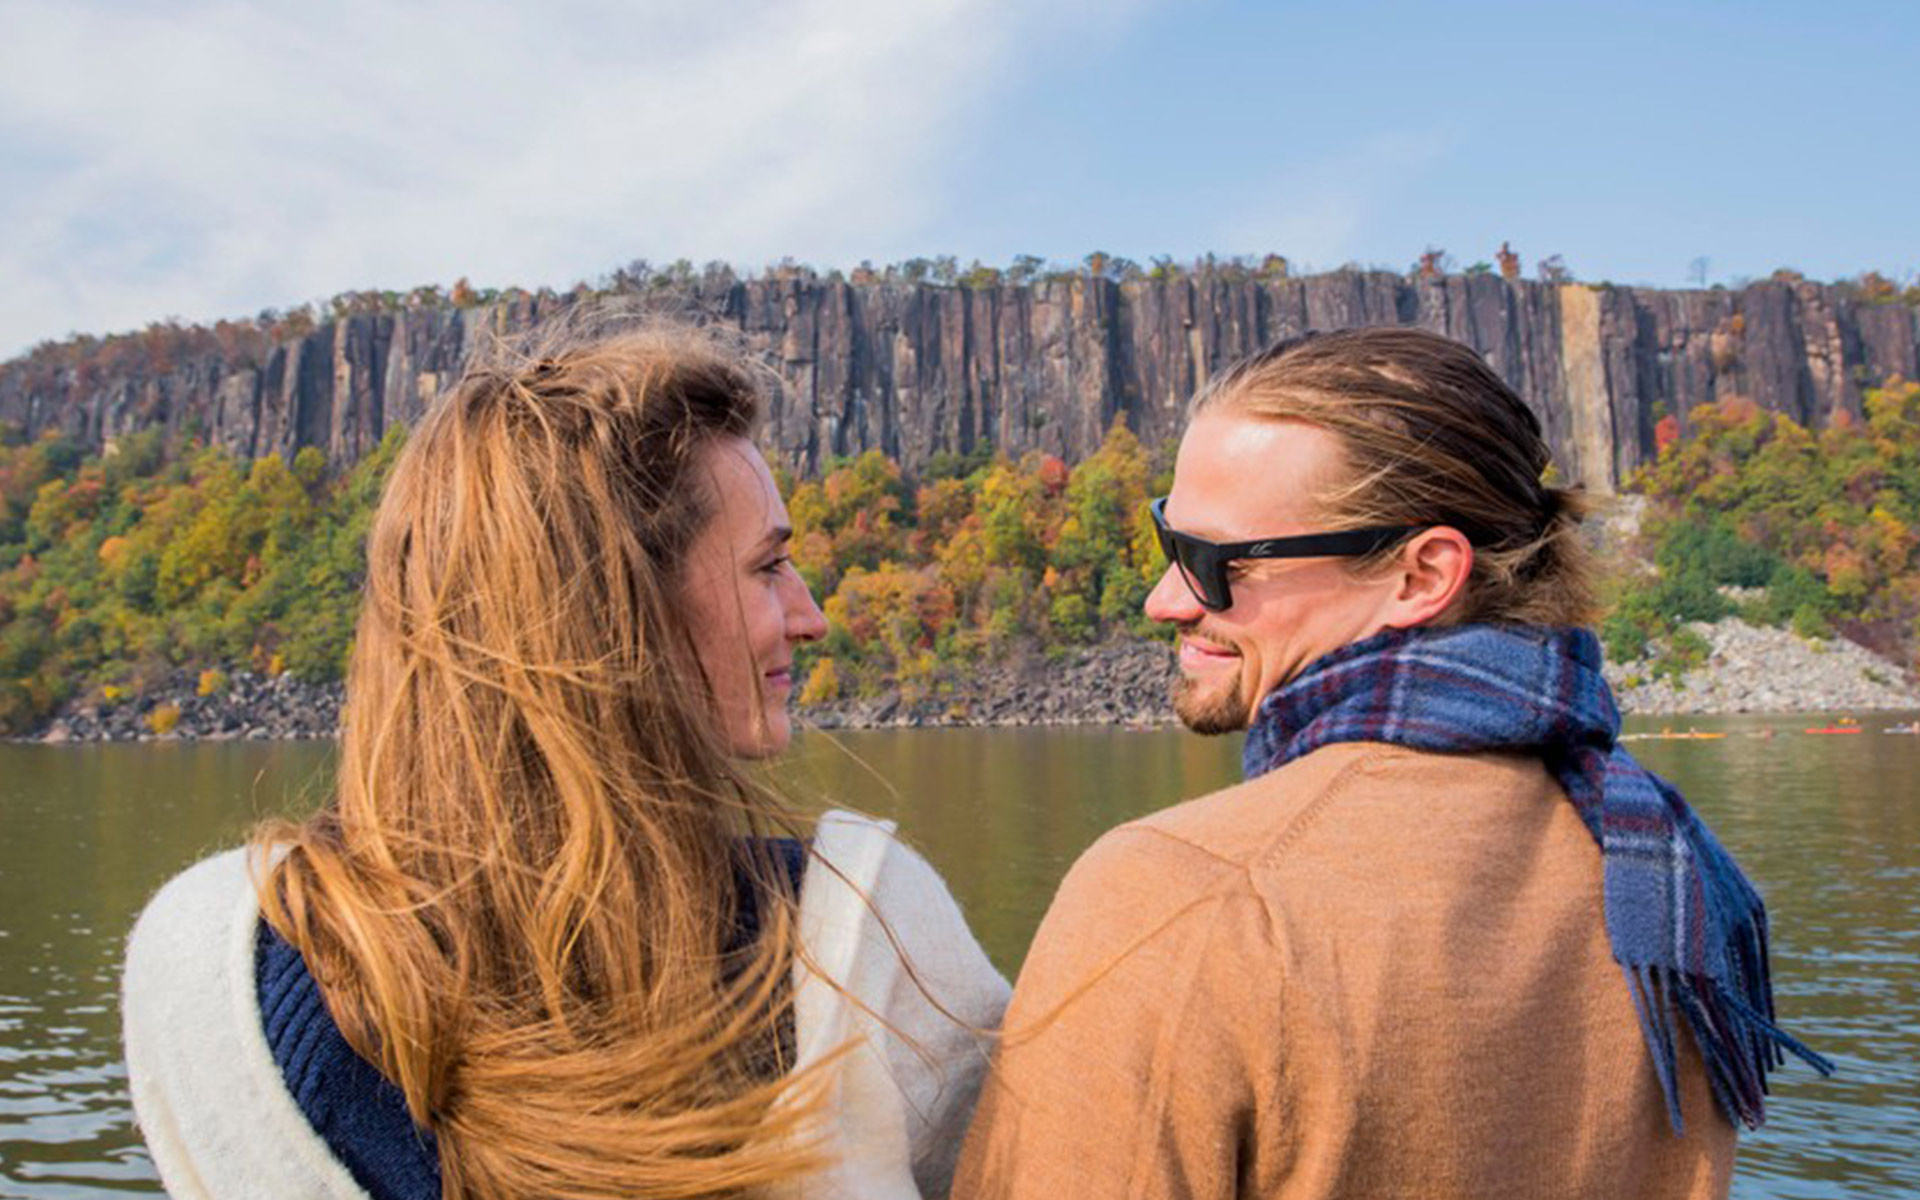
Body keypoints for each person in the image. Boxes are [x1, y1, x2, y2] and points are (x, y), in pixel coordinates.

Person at [122, 323, 1010, 1200]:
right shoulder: (858, 936)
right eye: (769, 566)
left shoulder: (212, 972)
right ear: (623, 613)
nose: (811, 614)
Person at [955, 327, 1829, 1200]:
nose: (1165, 600)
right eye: (1168, 543)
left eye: (1213, 563)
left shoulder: (1183, 891)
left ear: (1421, 575)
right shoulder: (1672, 875)